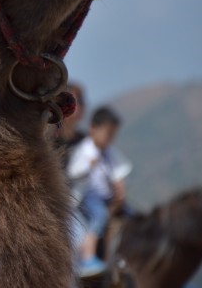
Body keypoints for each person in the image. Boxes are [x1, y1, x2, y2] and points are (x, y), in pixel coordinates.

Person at [67, 106, 132, 277]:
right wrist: (89, 166)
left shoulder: (109, 152)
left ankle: (125, 256)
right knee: (99, 216)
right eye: (107, 134)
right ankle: (88, 255)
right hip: (88, 196)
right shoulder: (85, 150)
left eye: (113, 135)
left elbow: (119, 172)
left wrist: (120, 190)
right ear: (93, 129)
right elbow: (73, 171)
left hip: (108, 196)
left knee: (131, 217)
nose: (110, 139)